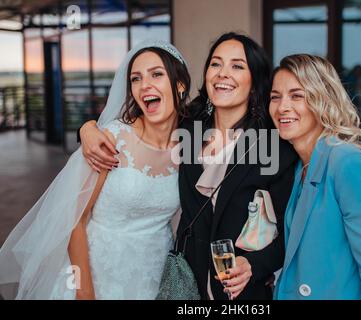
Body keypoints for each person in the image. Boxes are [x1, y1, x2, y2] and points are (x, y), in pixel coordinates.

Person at [79, 32, 297, 300]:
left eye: (237, 66)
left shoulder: (273, 147)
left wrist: (254, 264)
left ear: (254, 82)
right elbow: (140, 125)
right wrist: (88, 129)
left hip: (240, 294)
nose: (223, 73)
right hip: (184, 284)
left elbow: (291, 233)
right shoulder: (188, 126)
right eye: (216, 64)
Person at [0, 39, 191, 299]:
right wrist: (84, 290)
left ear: (180, 85)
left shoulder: (191, 144)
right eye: (135, 78)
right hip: (96, 274)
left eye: (156, 74)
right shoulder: (111, 139)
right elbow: (74, 221)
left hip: (155, 278)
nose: (144, 84)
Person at [269, 54, 361, 299]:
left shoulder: (348, 164)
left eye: (297, 95)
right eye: (275, 97)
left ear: (323, 100)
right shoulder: (301, 166)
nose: (282, 107)